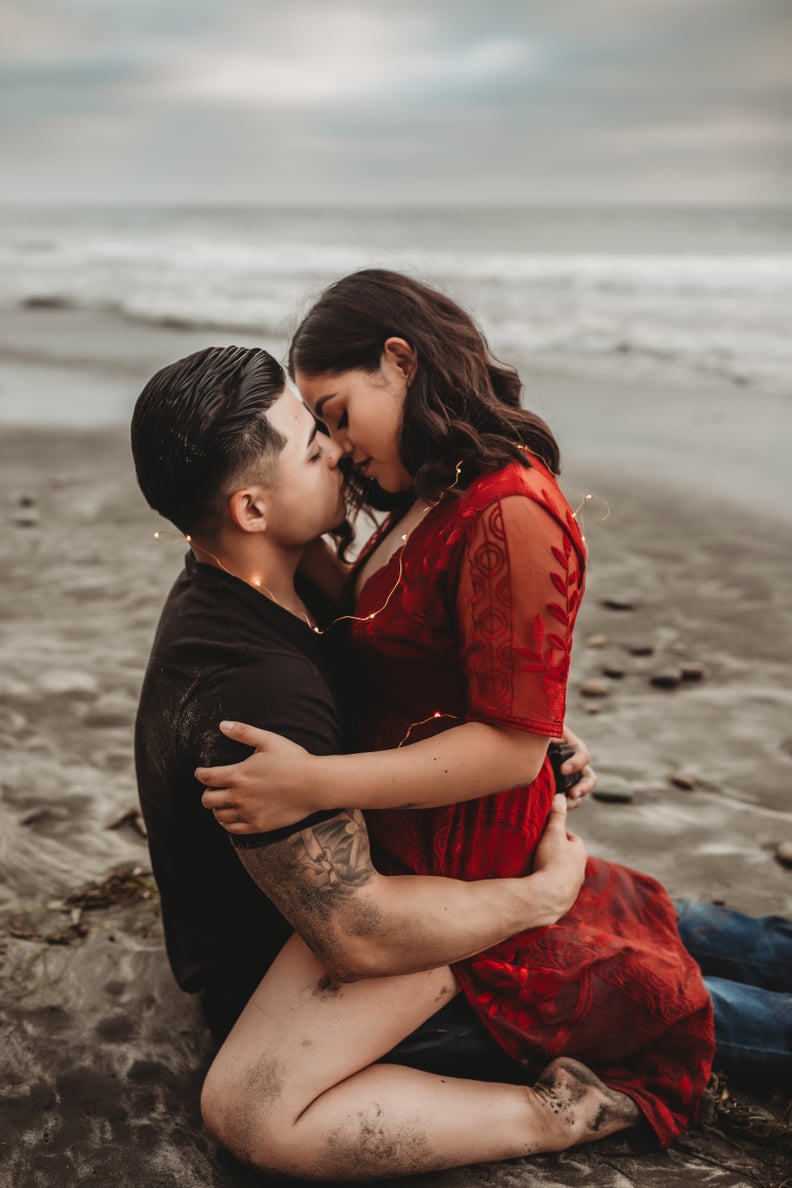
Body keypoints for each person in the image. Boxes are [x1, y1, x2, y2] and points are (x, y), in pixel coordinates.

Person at [196, 269, 788, 1157]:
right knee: (680, 938)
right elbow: (402, 636)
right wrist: (227, 518)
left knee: (686, 997)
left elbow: (509, 750)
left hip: (474, 869)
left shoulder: (508, 509)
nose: (334, 444)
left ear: (400, 362)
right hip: (446, 851)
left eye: (338, 413)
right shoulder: (427, 493)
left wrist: (315, 780)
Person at [132, 345, 639, 1183]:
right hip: (311, 975)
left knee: (653, 932)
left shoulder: (278, 584)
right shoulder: (257, 696)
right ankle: (554, 1113)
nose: (335, 447)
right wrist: (537, 899)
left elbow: (406, 673)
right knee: (629, 983)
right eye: (310, 442)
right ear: (252, 508)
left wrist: (531, 735)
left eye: (325, 423)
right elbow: (360, 936)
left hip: (423, 872)